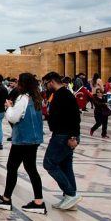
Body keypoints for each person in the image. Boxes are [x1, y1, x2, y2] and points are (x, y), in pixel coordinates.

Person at [0, 73, 46, 214]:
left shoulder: (22, 98)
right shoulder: (37, 98)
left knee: (12, 167)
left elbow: (14, 118)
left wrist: (9, 107)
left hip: (22, 139)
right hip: (34, 139)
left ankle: (6, 199)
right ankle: (38, 201)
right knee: (31, 169)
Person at [42, 71, 82, 211]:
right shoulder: (58, 95)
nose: (45, 86)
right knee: (65, 166)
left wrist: (73, 137)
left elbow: (74, 116)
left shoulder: (64, 95)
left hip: (64, 136)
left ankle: (70, 194)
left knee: (49, 163)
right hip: (62, 134)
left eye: (46, 84)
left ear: (51, 82)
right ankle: (70, 198)